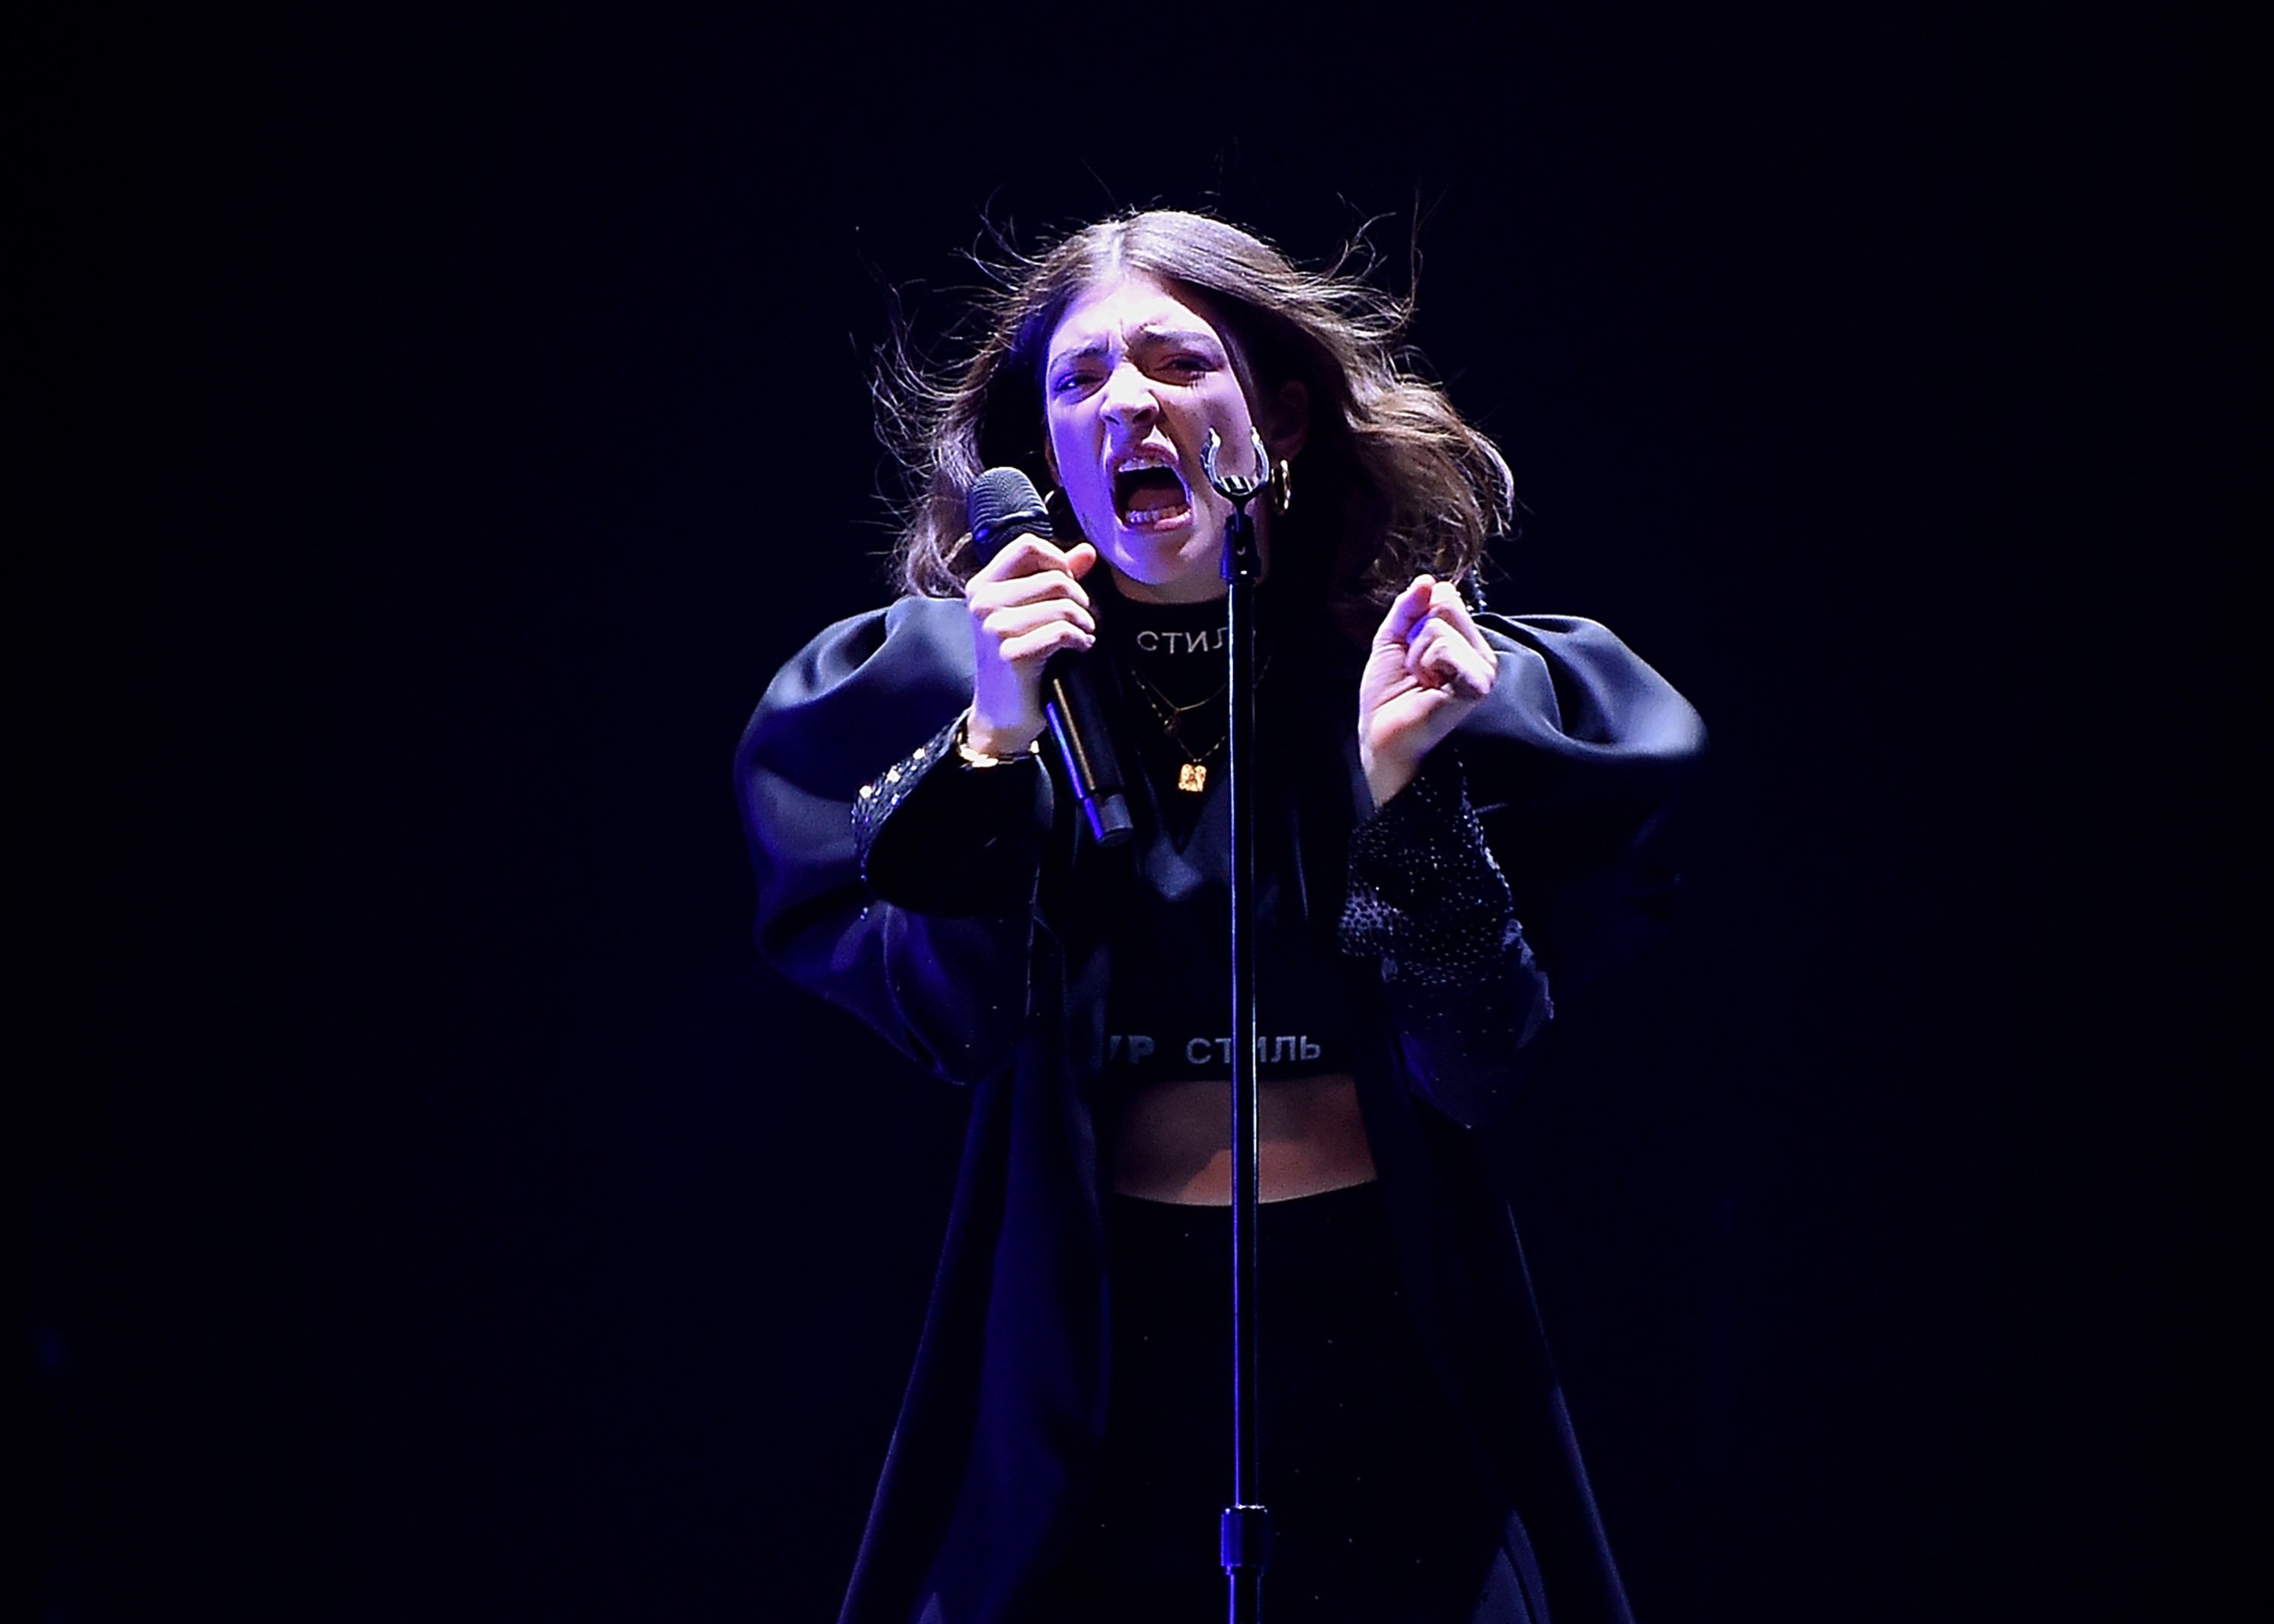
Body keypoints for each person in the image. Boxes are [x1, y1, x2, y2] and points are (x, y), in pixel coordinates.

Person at [737, 210, 1705, 1624]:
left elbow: (1488, 1063)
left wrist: (1402, 798)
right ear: (1046, 456)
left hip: (1382, 1321)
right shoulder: (965, 688)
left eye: (1175, 360)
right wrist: (997, 752)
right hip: (1105, 1343)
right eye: (1078, 382)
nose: (1127, 401)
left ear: (1282, 419)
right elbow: (954, 1024)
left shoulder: (1406, 671)